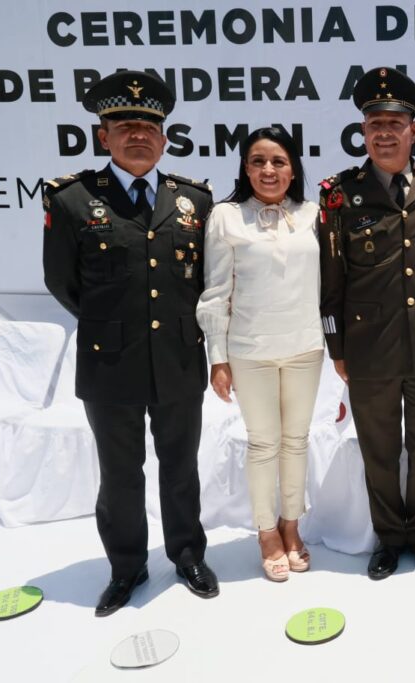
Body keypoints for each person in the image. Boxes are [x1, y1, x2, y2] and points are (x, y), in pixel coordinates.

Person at [42, 70, 218, 616]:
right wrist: (113, 323)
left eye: (148, 126)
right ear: (103, 136)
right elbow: (61, 281)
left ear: (164, 138)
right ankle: (126, 567)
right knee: (119, 471)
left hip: (179, 358)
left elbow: (205, 280)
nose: (137, 135)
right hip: (109, 360)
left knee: (181, 464)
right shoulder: (72, 200)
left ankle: (187, 554)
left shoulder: (194, 200)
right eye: (124, 126)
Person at [317, 67, 415, 580]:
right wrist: (337, 348)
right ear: (362, 131)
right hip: (367, 345)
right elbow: (330, 283)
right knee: (379, 449)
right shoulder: (339, 194)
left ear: (413, 130)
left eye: (394, 123)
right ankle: (387, 538)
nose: (384, 132)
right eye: (374, 123)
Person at [196, 127, 323, 582]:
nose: (268, 170)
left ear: (293, 169)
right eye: (258, 161)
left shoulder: (313, 213)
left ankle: (292, 525)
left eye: (278, 161)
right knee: (263, 443)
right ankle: (266, 531)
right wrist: (218, 356)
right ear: (245, 168)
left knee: (297, 440)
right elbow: (215, 291)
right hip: (251, 350)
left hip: (306, 346)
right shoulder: (227, 217)